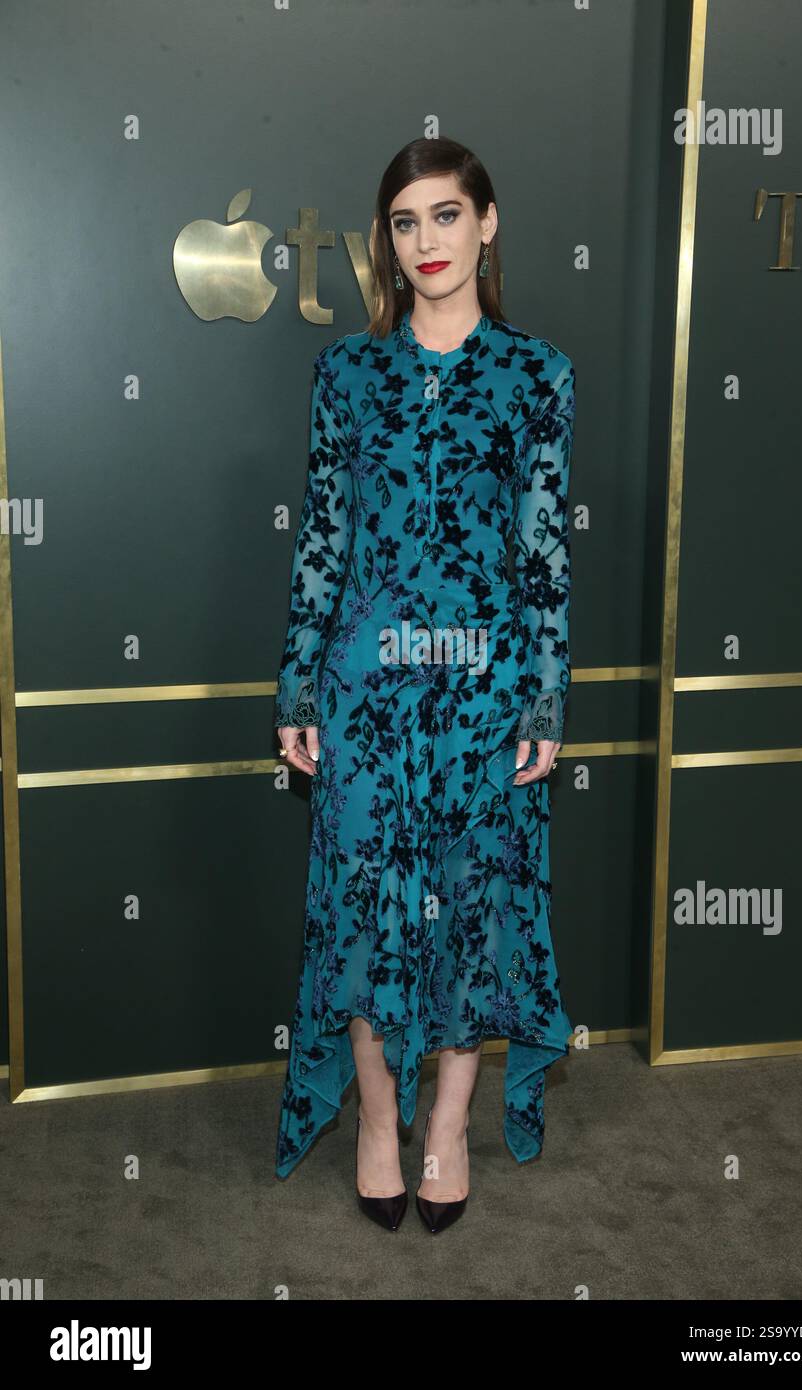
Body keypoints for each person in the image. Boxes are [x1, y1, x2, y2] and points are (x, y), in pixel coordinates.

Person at [274, 135, 576, 1234]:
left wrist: (544, 694)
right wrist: (298, 686)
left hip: (484, 692)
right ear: (385, 243)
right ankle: (375, 1118)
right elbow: (323, 540)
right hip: (363, 682)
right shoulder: (346, 374)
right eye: (405, 222)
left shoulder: (536, 374)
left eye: (446, 215)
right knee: (365, 910)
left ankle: (448, 1123)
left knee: (470, 912)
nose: (426, 242)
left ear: (486, 224)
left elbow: (543, 553)